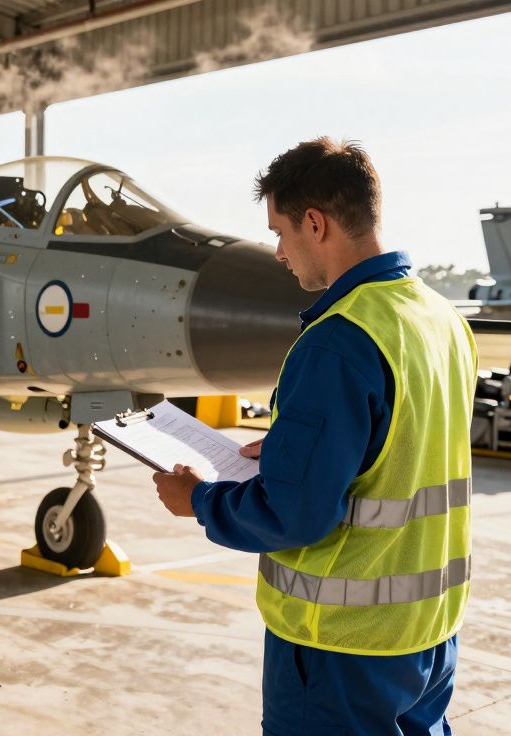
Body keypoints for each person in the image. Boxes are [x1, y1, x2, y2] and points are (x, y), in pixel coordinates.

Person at [153, 138, 476, 735]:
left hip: (339, 646)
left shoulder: (337, 339)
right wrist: (288, 451)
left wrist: (198, 500)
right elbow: (400, 446)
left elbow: (296, 514)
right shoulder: (440, 318)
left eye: (279, 232)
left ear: (315, 223)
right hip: (428, 634)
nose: (279, 252)